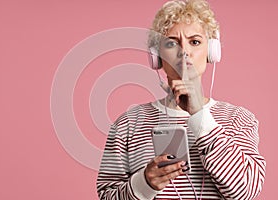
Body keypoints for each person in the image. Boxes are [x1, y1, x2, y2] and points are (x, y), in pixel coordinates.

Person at [97, 0, 266, 199]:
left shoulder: (238, 118)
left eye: (194, 41)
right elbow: (106, 195)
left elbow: (246, 192)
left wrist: (199, 116)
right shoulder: (128, 123)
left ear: (211, 52)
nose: (184, 51)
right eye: (171, 43)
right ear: (157, 56)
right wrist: (144, 183)